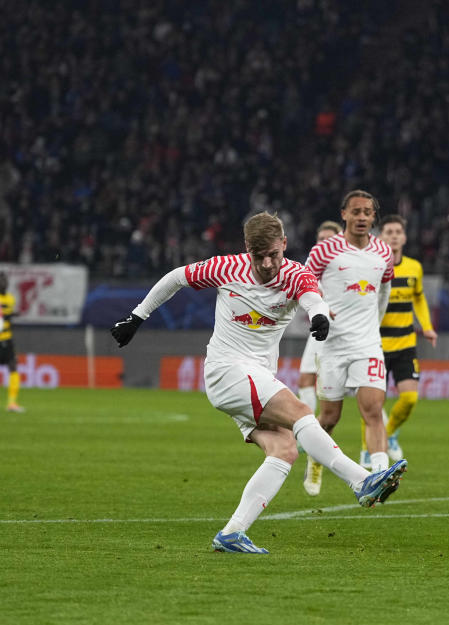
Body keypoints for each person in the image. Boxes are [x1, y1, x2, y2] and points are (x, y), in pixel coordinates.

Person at [110, 211, 407, 554]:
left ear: (284, 244)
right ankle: (361, 480)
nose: (267, 263)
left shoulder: (296, 274)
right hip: (227, 370)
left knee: (284, 448)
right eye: (259, 255)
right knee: (299, 411)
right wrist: (137, 317)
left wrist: (320, 316)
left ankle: (232, 533)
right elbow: (176, 277)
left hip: (256, 376)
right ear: (247, 248)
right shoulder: (226, 267)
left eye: (274, 255)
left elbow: (313, 297)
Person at [301, 190, 395, 496]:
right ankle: (316, 461)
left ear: (373, 216)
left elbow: (384, 291)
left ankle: (381, 476)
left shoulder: (383, 252)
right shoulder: (324, 251)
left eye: (367, 212)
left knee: (373, 409)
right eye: (356, 212)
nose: (362, 217)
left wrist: (374, 327)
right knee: (329, 417)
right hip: (332, 346)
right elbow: (304, 283)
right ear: (344, 214)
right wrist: (317, 310)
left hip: (367, 344)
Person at [356, 214, 438, 468]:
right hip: (376, 345)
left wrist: (427, 326)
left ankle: (388, 432)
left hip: (405, 344)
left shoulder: (414, 267)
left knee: (410, 399)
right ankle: (366, 450)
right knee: (372, 402)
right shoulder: (372, 266)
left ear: (403, 237)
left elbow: (419, 299)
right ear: (380, 237)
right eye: (388, 231)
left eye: (397, 232)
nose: (393, 236)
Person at [298, 221, 343, 493]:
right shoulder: (313, 266)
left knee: (369, 400)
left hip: (351, 340)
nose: (324, 242)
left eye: (330, 238)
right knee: (306, 381)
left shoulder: (350, 264)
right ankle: (311, 440)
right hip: (321, 334)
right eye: (320, 237)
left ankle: (377, 452)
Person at [0, 272, 25, 412]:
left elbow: (5, 319)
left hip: (7, 339)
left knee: (13, 366)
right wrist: (11, 315)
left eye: (5, 280)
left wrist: (11, 317)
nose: (4, 283)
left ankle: (12, 403)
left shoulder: (11, 299)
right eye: (1, 280)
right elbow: (3, 316)